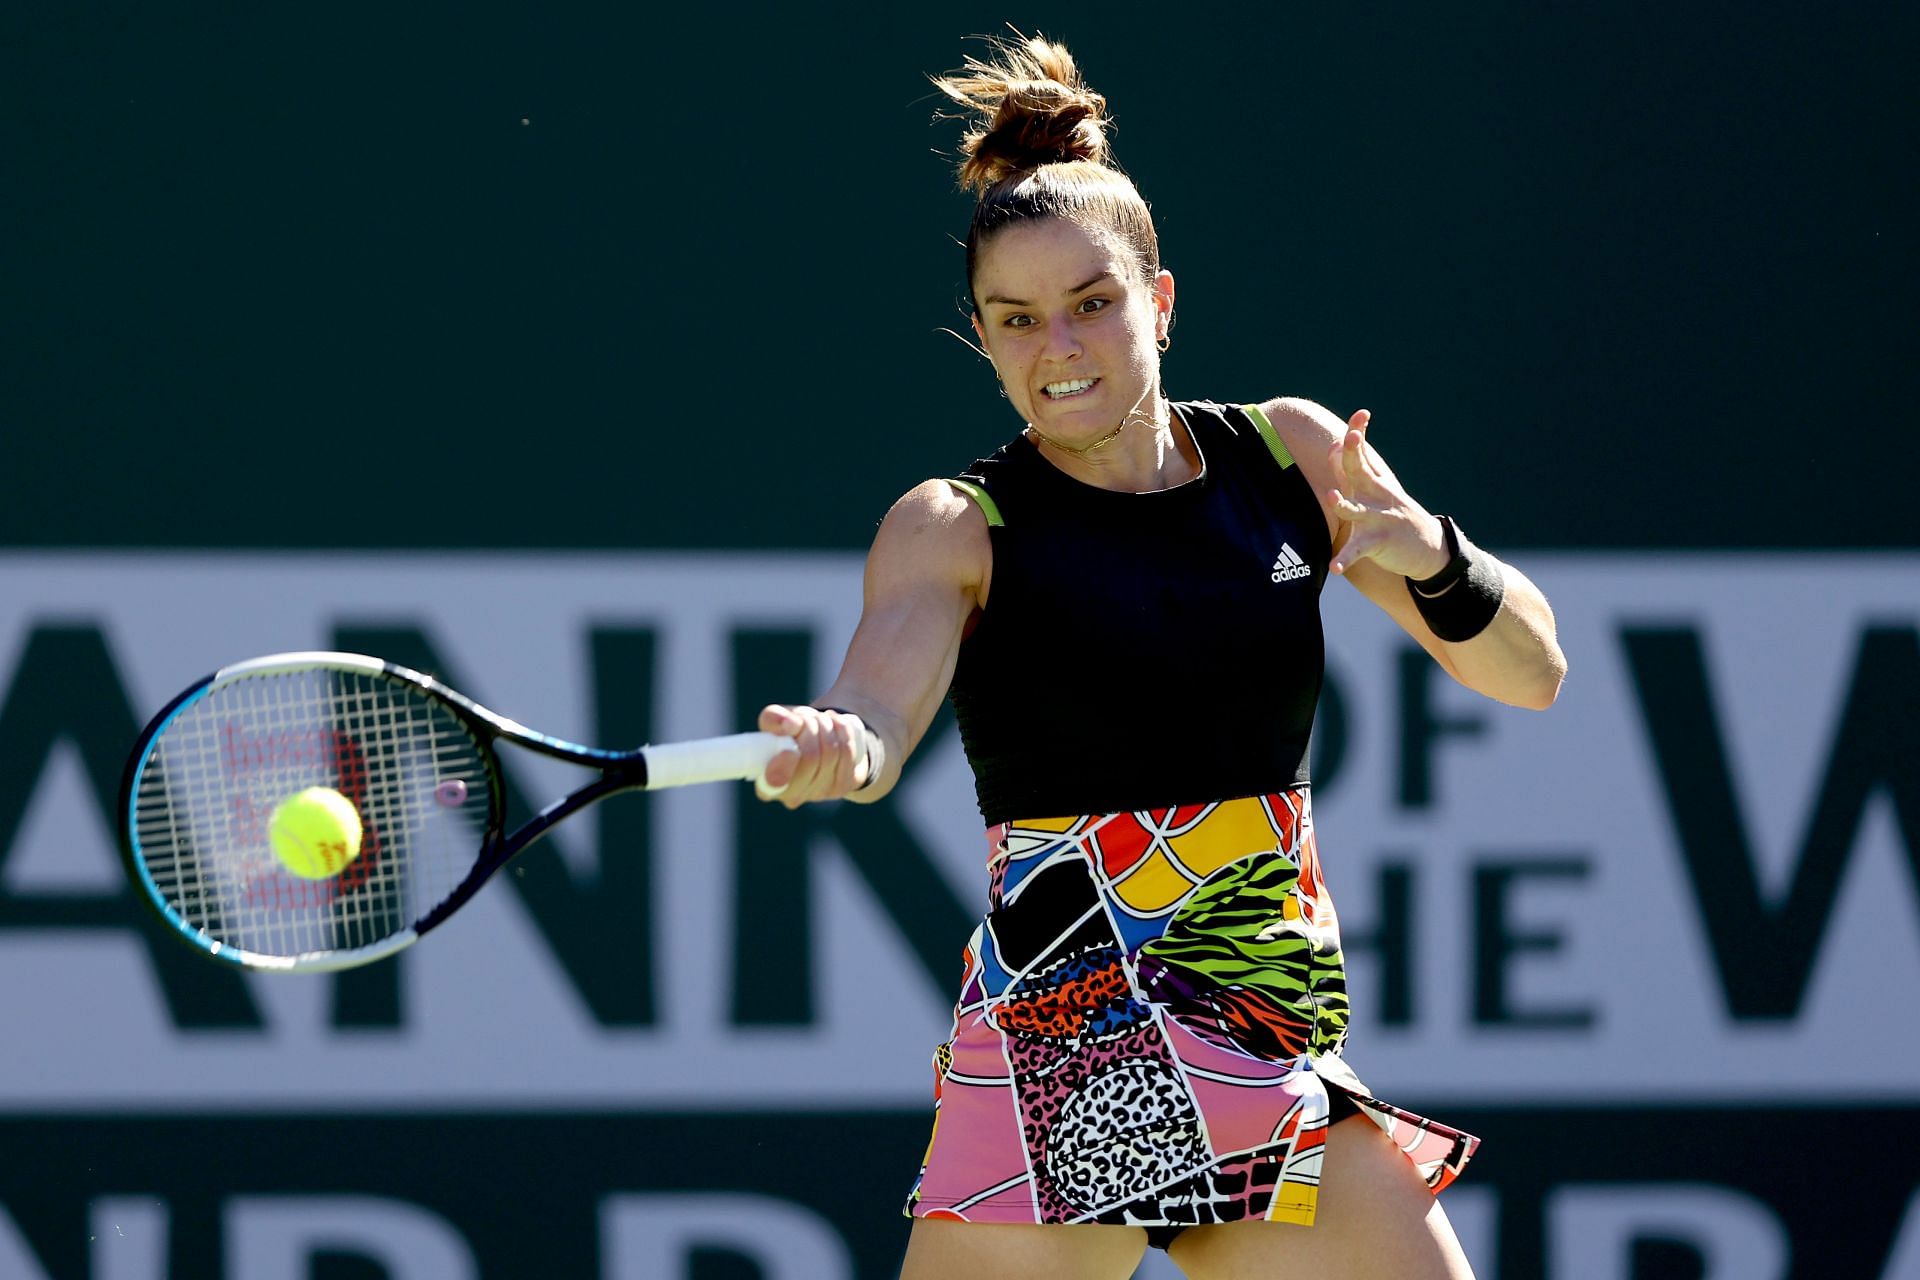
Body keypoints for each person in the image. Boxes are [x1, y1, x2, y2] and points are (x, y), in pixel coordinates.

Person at [755, 32, 1566, 1280]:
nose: (1058, 348)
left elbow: (1531, 671)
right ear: (981, 336)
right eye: (1016, 321)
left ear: (1162, 300)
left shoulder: (1291, 457)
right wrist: (839, 742)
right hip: (1076, 1032)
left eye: (1093, 303)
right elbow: (875, 714)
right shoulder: (957, 525)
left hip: (1261, 1016)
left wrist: (1429, 554)